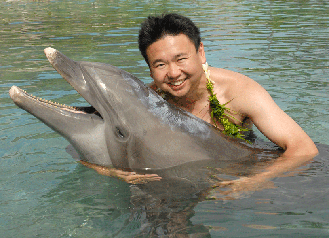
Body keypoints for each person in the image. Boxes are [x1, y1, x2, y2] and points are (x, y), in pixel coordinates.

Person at [81, 13, 318, 197]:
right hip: (185, 182)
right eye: (160, 64)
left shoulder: (239, 92)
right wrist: (112, 172)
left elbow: (304, 149)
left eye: (181, 59)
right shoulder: (150, 100)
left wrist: (253, 182)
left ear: (201, 52)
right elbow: (92, 152)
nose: (174, 73)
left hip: (245, 174)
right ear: (149, 67)